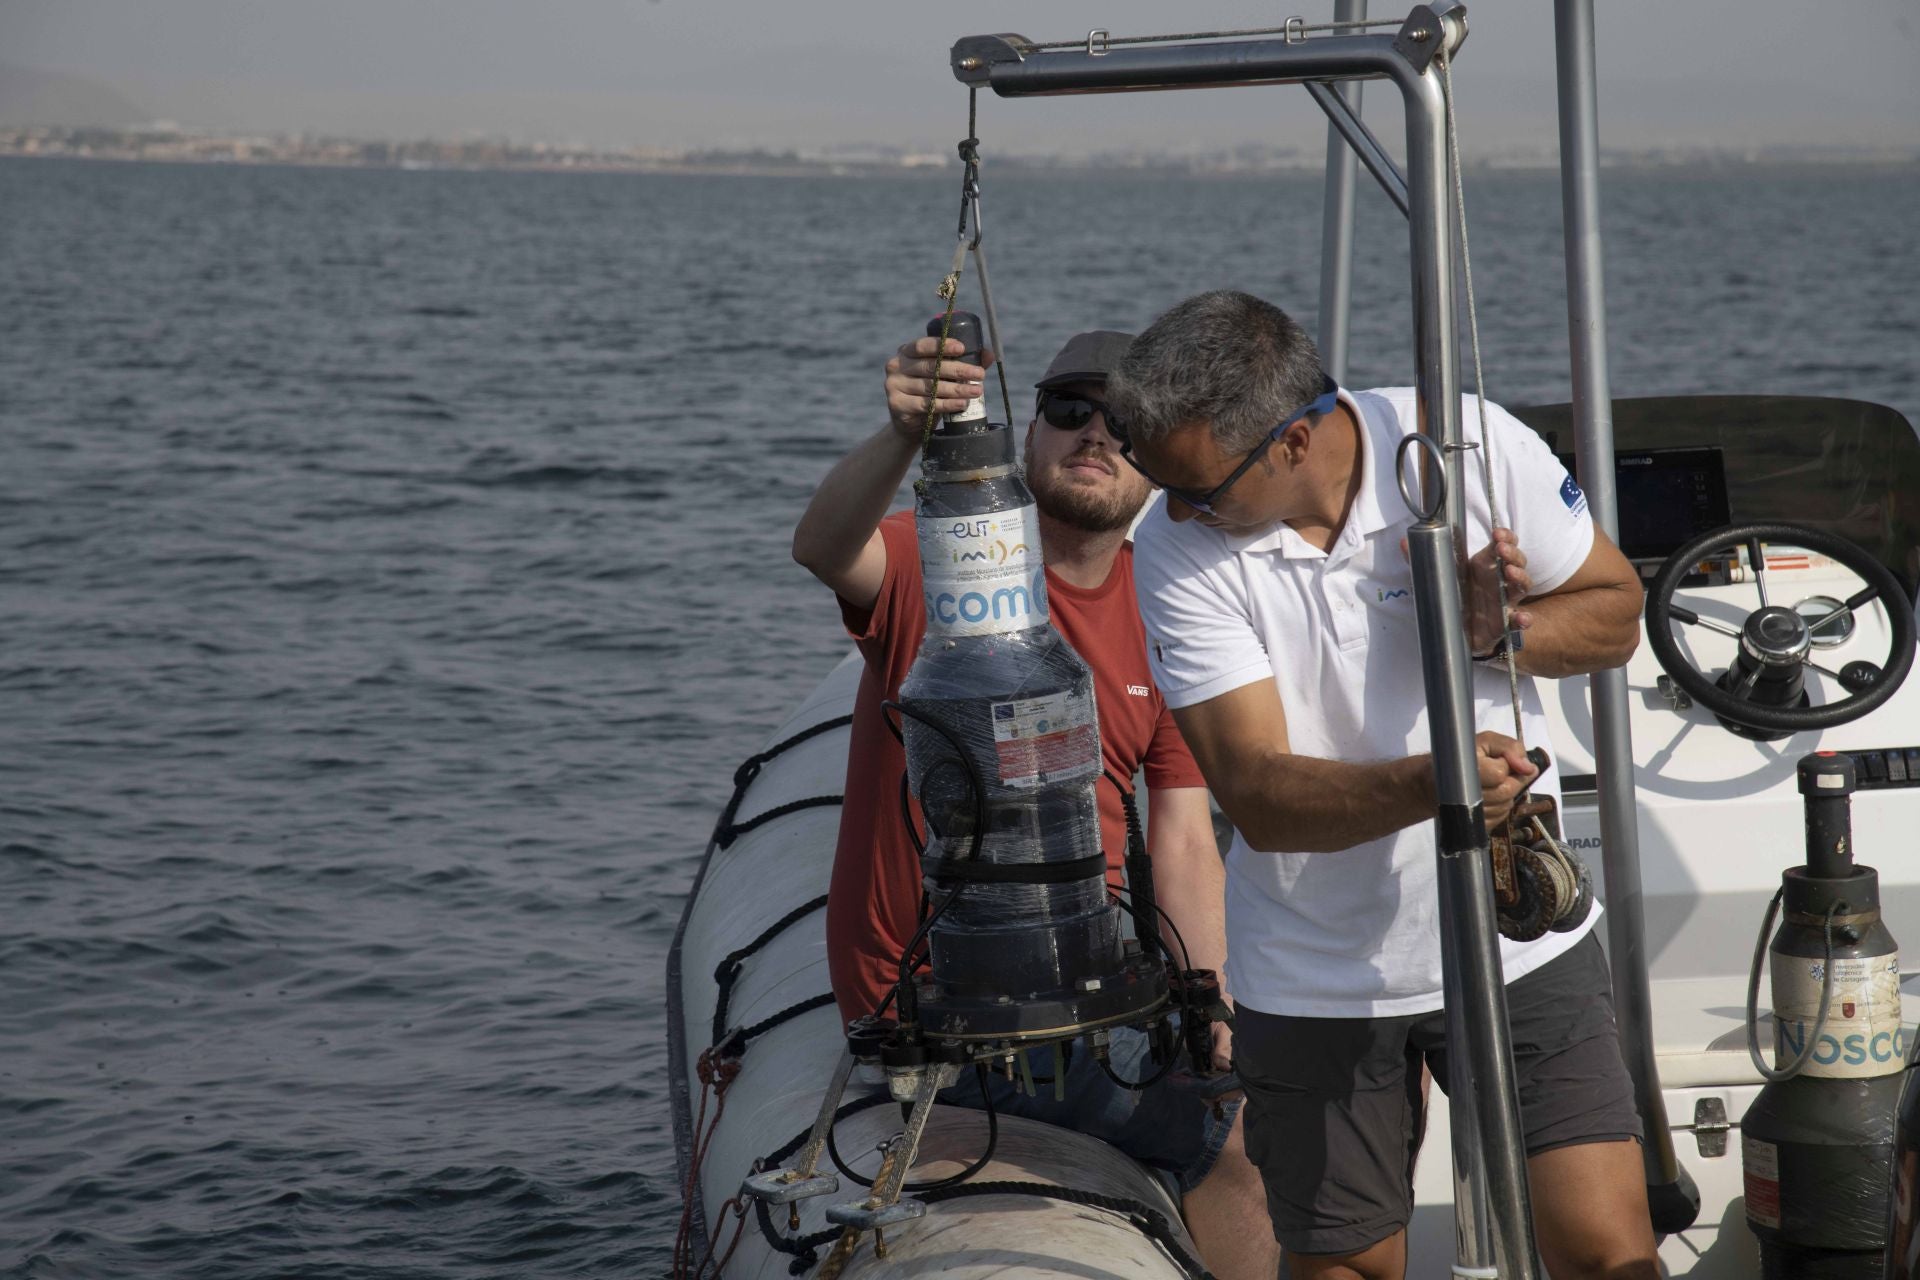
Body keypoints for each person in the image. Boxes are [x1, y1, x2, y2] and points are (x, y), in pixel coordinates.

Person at [1109, 289, 1658, 1280]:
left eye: (1200, 485)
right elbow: (1262, 799)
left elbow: (1617, 611)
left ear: (1293, 440)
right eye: (1160, 479)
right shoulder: (1174, 544)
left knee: (1607, 1253)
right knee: (1348, 1269)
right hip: (1314, 973)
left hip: (1516, 944)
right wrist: (1445, 781)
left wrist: (1506, 631)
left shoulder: (1469, 444)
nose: (1178, 506)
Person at [792, 326, 1279, 1280]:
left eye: (1124, 422)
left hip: (1087, 981)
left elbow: (1181, 836)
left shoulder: (1169, 615)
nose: (1095, 434)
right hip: (938, 1004)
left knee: (1282, 1104)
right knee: (1243, 1146)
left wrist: (1210, 1011)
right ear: (1026, 437)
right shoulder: (945, 567)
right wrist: (903, 434)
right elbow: (822, 546)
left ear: (1156, 464)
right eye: (1069, 410)